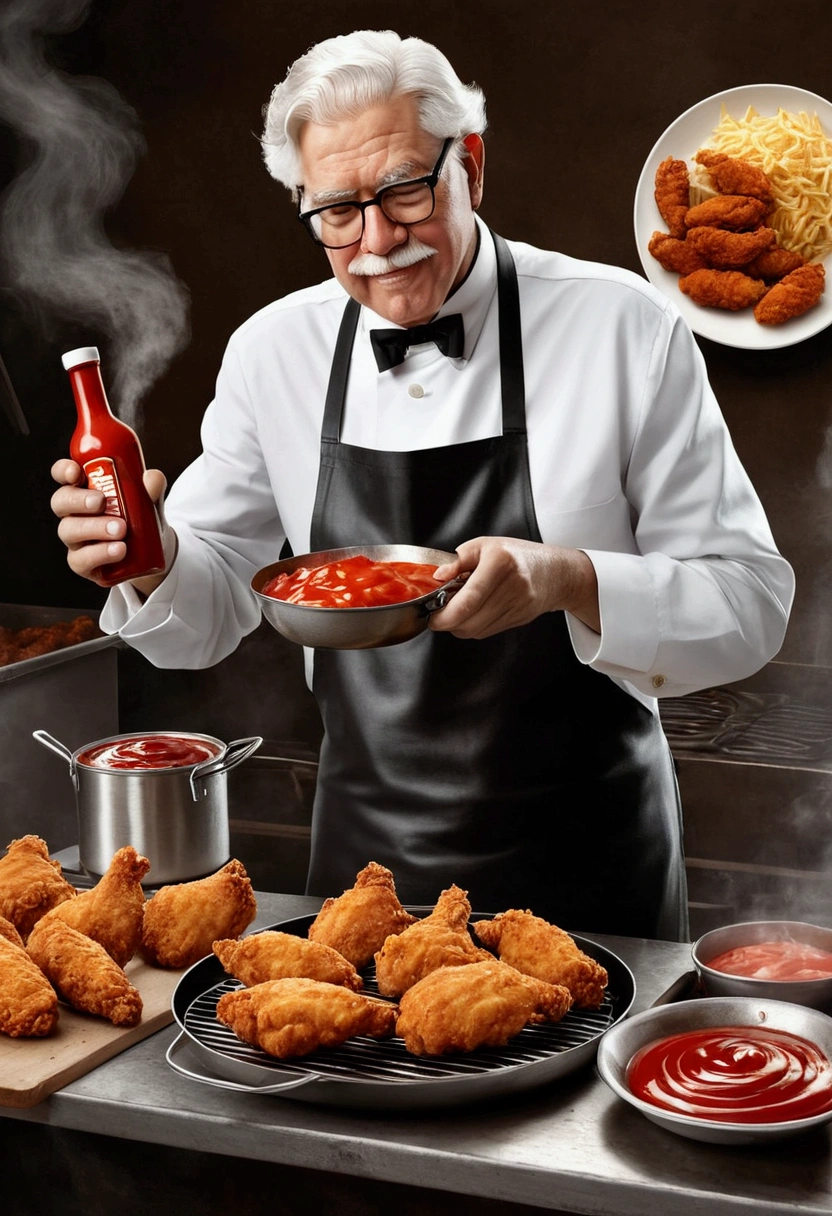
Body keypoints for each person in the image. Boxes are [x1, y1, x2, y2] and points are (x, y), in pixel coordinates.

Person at [50, 29, 794, 941]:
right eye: (336, 211)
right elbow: (205, 618)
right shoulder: (272, 352)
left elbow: (750, 604)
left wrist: (569, 580)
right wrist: (152, 560)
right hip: (368, 880)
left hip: (594, 867)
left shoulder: (623, 328)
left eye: (405, 190)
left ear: (469, 166)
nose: (375, 242)